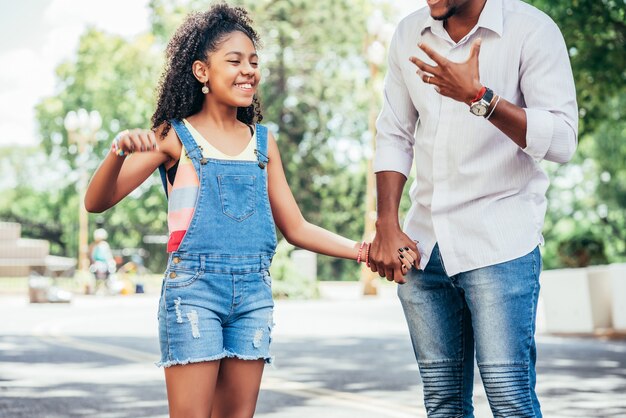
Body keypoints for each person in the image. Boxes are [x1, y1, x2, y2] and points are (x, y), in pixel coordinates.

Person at [84, 5, 376, 417]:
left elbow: (295, 227)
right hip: (193, 294)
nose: (248, 71)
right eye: (235, 61)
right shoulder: (173, 136)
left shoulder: (263, 142)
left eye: (254, 62)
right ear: (202, 71)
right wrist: (117, 151)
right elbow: (96, 202)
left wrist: (364, 251)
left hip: (253, 295)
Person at [368, 0, 577, 416]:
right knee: (443, 404)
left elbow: (563, 141)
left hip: (498, 242)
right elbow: (394, 133)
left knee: (508, 398)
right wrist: (386, 225)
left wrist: (481, 98)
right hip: (423, 247)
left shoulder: (531, 29)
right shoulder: (410, 33)